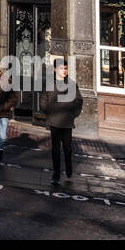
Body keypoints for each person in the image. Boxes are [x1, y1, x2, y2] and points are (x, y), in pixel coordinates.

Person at [44, 58, 83, 187]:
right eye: (61, 68)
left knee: (67, 147)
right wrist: (47, 111)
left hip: (66, 122)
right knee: (55, 149)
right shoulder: (49, 84)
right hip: (54, 121)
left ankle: (69, 167)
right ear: (55, 69)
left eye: (66, 68)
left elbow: (78, 100)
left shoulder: (71, 84)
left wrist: (73, 114)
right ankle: (56, 174)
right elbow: (43, 99)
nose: (64, 71)